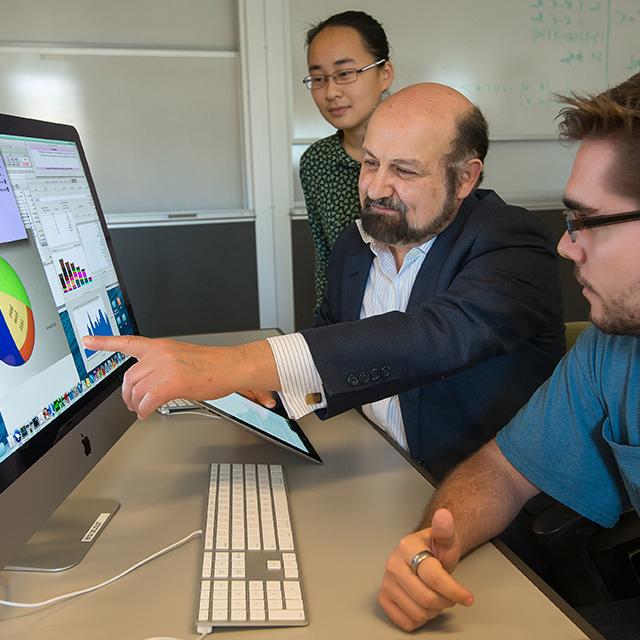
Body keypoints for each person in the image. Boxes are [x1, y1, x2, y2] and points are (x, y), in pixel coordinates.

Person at [84, 82, 565, 482]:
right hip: (366, 467)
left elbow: (435, 337)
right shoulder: (356, 244)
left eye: (404, 170)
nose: (376, 188)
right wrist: (272, 389)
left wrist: (235, 363)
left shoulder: (511, 242)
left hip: (466, 497)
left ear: (465, 179)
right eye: (370, 162)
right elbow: (330, 340)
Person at [377, 72, 640, 636]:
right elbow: (501, 471)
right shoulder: (611, 350)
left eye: (587, 222)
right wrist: (431, 548)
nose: (565, 245)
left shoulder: (503, 241)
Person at [300, 11, 394, 316]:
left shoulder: (425, 152)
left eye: (345, 73)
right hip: (347, 324)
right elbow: (326, 260)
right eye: (318, 78)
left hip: (417, 325)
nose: (331, 92)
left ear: (385, 74)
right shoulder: (317, 162)